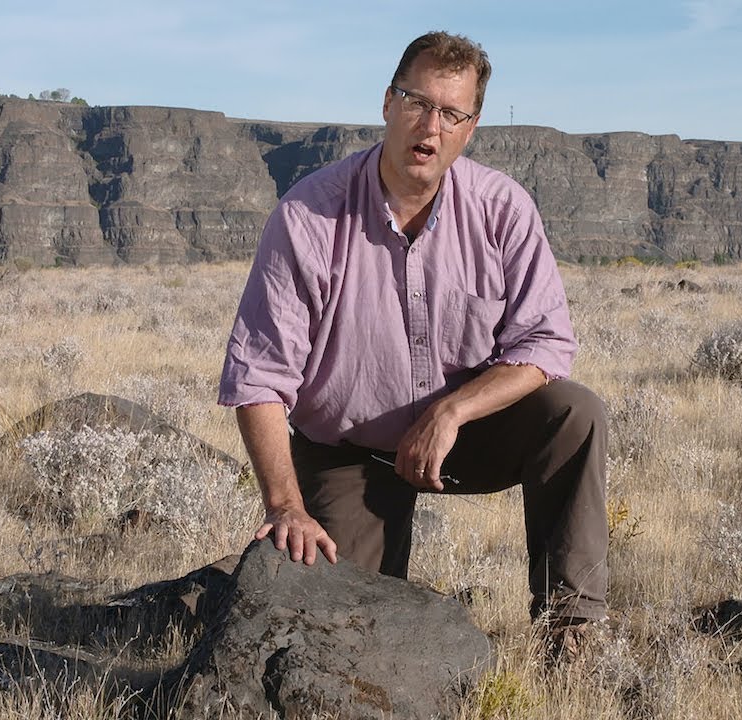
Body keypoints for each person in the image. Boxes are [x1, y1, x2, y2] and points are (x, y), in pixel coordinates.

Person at [218, 31, 608, 632]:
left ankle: (572, 632)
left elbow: (546, 343)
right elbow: (260, 378)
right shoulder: (308, 217)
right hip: (347, 449)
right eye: (416, 101)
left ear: (470, 128)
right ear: (387, 104)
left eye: (451, 113)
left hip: (464, 434)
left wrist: (451, 413)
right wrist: (285, 506)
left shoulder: (501, 209)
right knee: (345, 629)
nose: (430, 126)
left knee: (574, 414)